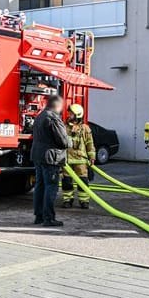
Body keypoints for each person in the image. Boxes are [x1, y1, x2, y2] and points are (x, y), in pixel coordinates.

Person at [30, 95, 70, 227]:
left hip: (38, 156)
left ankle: (39, 216)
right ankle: (49, 218)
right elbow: (63, 141)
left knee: (40, 186)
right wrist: (71, 141)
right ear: (57, 106)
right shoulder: (53, 118)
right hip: (51, 158)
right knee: (50, 187)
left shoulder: (40, 116)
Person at [61, 103, 96, 209]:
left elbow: (90, 144)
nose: (69, 115)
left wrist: (92, 157)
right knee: (66, 182)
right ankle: (67, 200)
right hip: (67, 161)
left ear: (77, 115)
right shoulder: (64, 127)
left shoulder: (85, 129)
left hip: (81, 160)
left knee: (83, 182)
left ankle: (84, 201)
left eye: (71, 114)